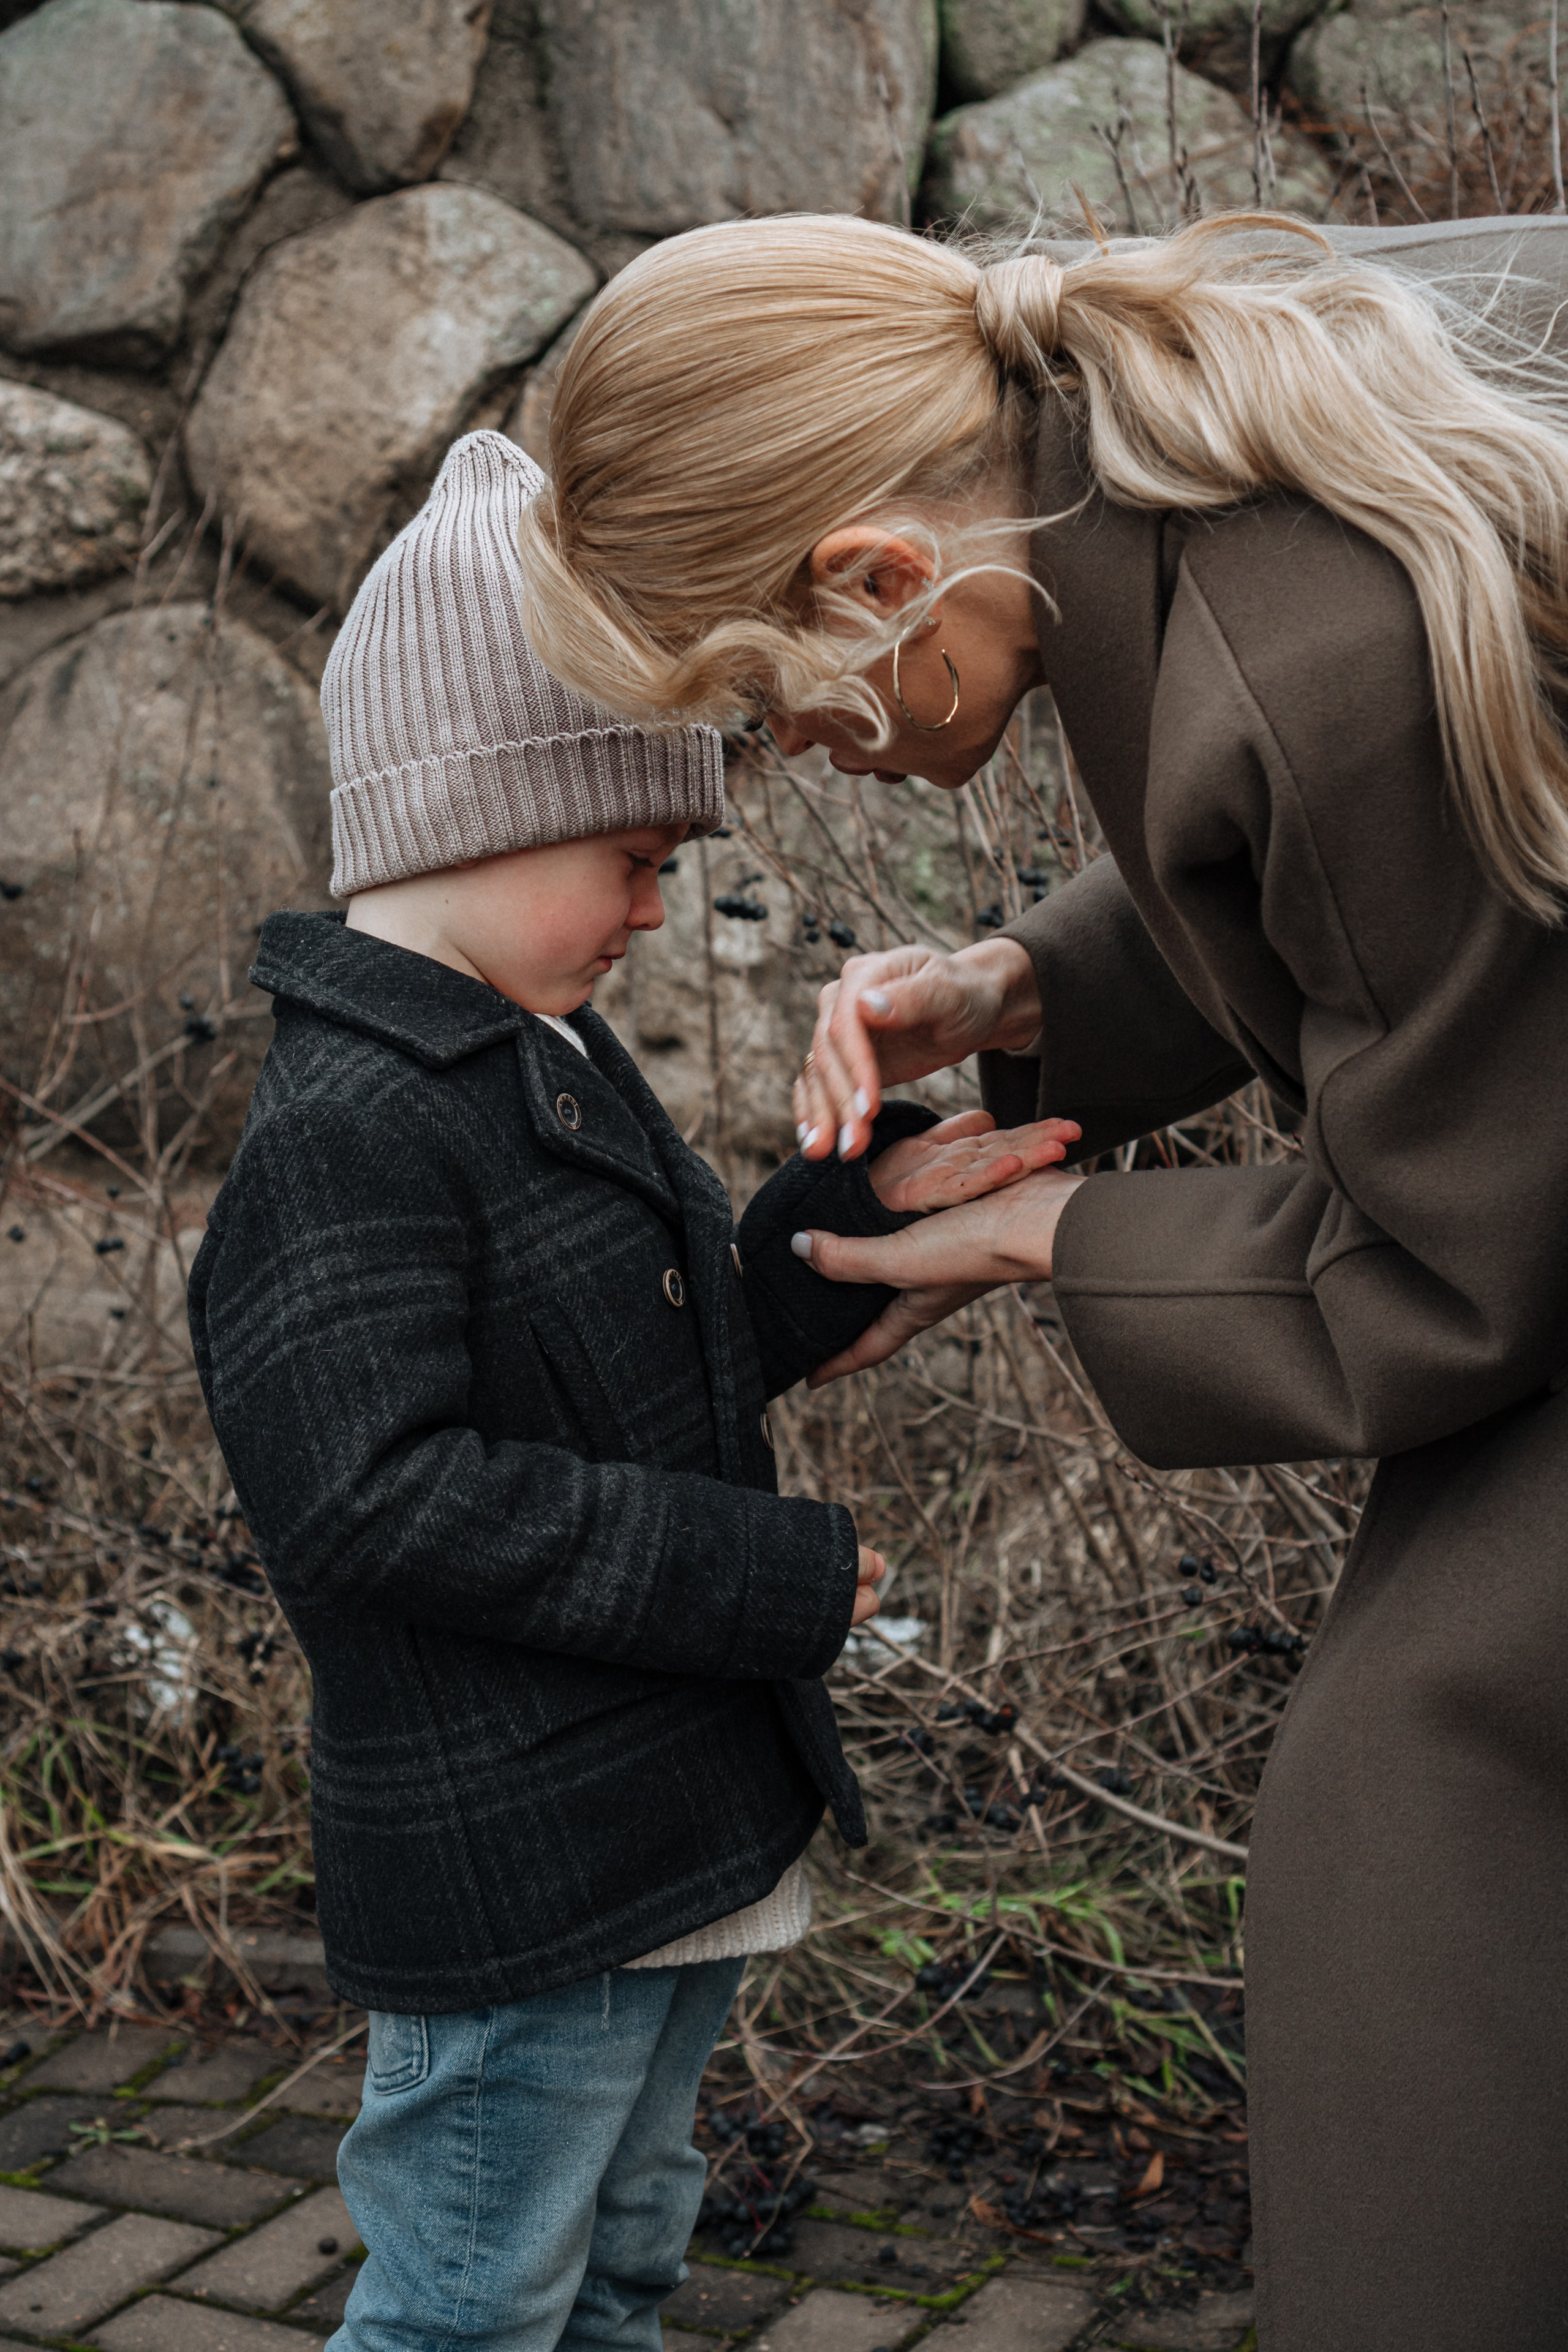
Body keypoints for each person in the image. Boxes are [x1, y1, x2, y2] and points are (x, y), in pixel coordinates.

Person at [511, 211, 1568, 2350]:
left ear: (880, 580)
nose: (783, 764)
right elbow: (1324, 884)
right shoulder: (1168, 495)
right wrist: (1022, 985)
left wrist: (1039, 1233)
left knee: (1416, 1826)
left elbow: (1456, 1276)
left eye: (758, 705)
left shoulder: (1301, 645)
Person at [187, 429, 1074, 2351]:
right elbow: (374, 1495)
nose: (660, 907)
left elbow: (623, 1343)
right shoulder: (354, 1122)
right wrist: (752, 1577)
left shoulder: (531, 1051)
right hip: (532, 1876)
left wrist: (829, 1234)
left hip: (651, 1843)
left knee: (623, 2264)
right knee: (472, 2310)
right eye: (636, 856)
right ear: (475, 816)